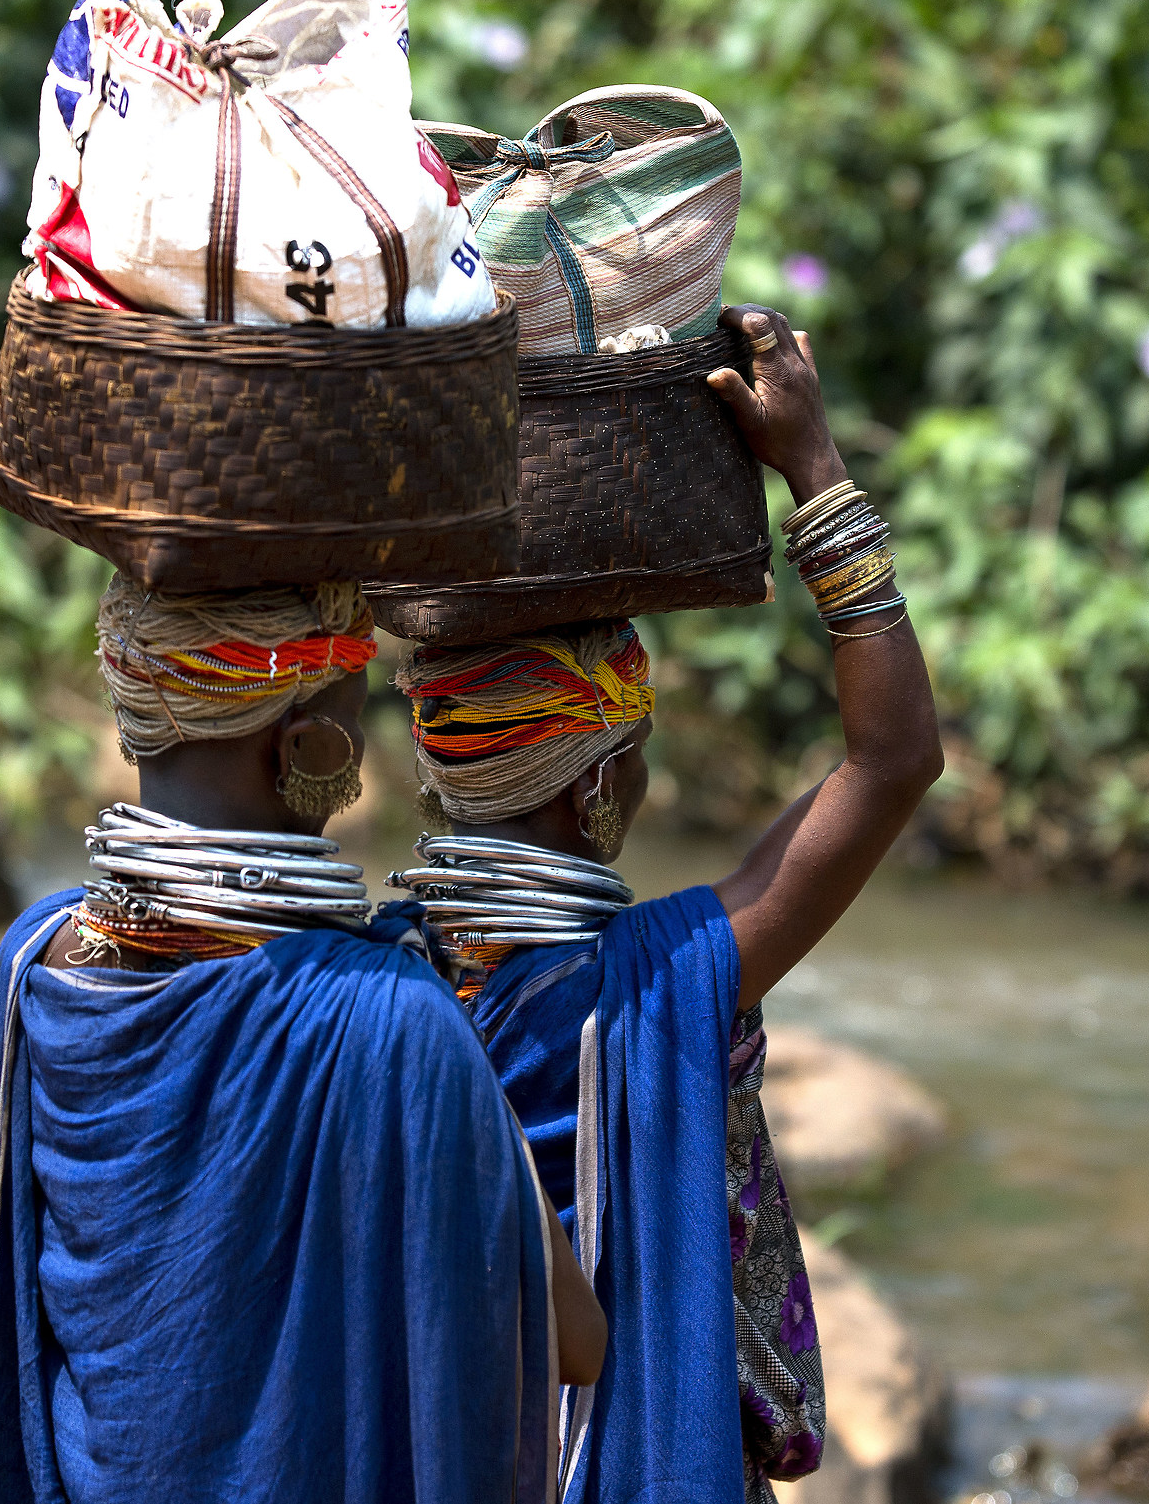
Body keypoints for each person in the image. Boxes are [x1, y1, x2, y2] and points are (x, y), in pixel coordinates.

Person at [391, 306, 944, 1504]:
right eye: (633, 750)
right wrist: (818, 473)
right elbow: (893, 760)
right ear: (598, 786)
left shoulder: (370, 980)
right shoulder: (664, 977)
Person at [0, 577, 604, 1504]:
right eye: (356, 719)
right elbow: (575, 1341)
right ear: (308, 748)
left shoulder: (37, 957)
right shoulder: (390, 1016)